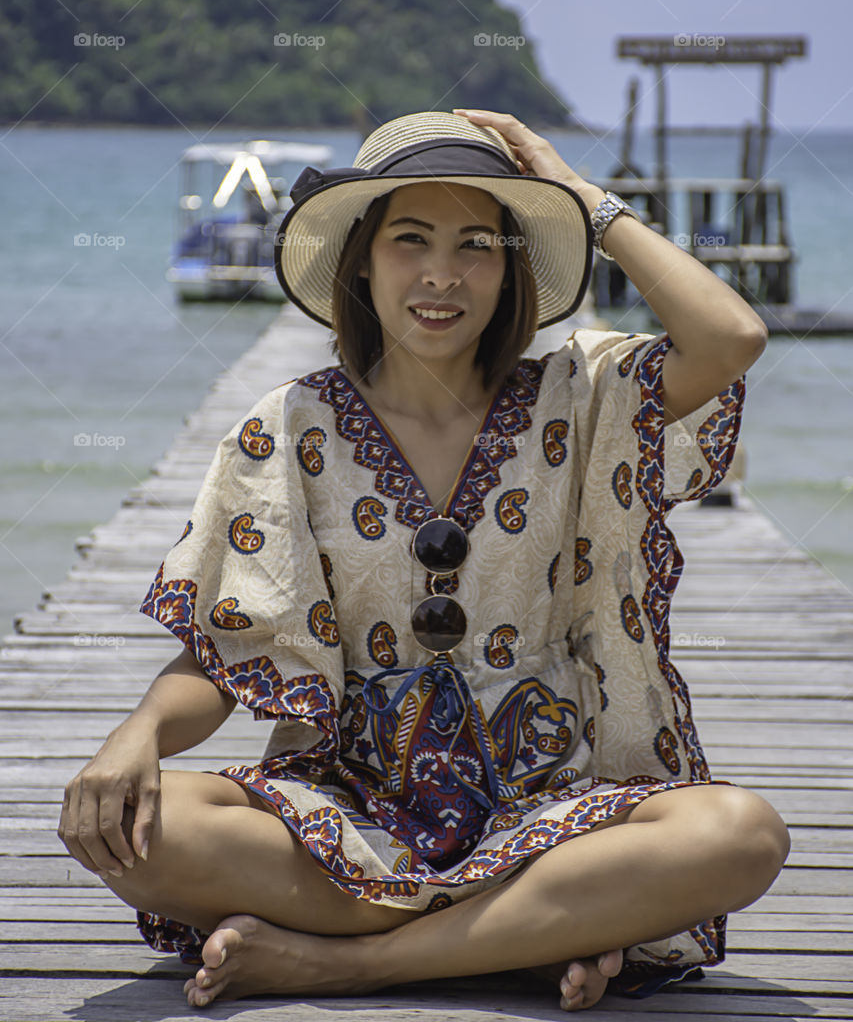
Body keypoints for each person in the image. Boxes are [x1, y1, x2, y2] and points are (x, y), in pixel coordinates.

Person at [58, 110, 790, 1013]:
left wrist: (585, 202)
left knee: (738, 834)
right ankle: (529, 936)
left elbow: (730, 339)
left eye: (476, 244)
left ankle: (353, 961)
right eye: (411, 240)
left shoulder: (582, 396)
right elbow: (230, 647)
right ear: (360, 260)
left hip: (549, 809)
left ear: (513, 266)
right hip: (345, 810)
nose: (442, 274)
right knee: (137, 826)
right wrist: (136, 736)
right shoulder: (291, 425)